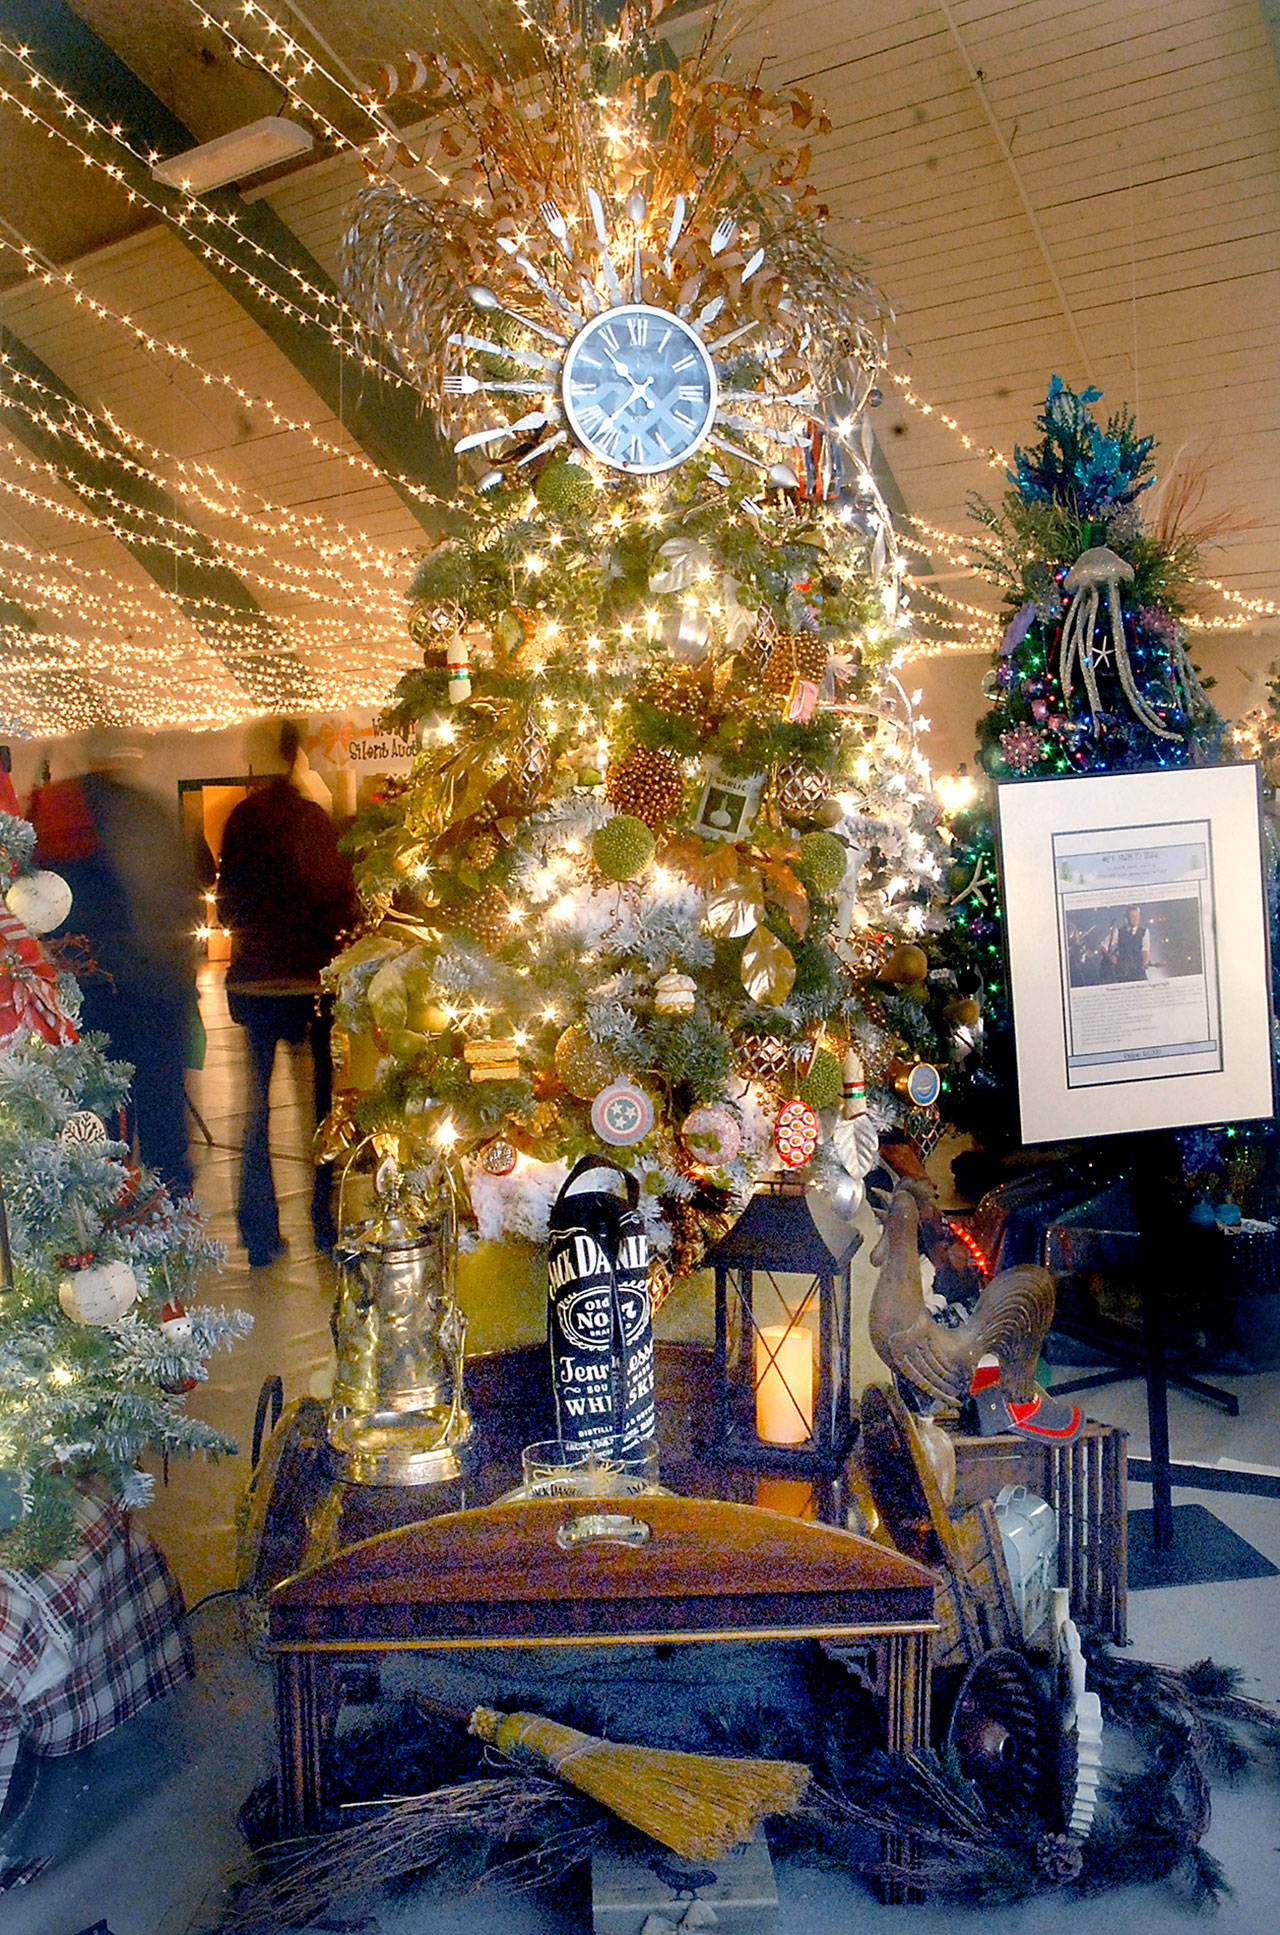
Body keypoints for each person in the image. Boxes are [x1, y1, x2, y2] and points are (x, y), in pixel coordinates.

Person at [31, 728, 199, 1199]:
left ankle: (108, 1212)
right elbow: (176, 902)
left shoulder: (62, 811)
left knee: (101, 1121)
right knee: (163, 1118)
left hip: (95, 994)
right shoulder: (148, 811)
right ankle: (170, 1211)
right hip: (154, 993)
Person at [216, 721, 359, 1266]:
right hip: (309, 982)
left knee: (256, 1111)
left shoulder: (242, 819)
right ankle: (325, 1224)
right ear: (298, 756)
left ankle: (259, 1233)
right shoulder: (313, 820)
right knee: (319, 1110)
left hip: (257, 982)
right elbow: (338, 901)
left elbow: (227, 905)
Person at [1106, 905, 1149, 982]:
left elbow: (1145, 949)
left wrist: (1145, 962)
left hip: (1138, 971)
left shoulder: (1144, 932)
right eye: (1133, 916)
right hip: (1122, 971)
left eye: (1137, 916)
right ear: (1126, 918)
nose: (1136, 919)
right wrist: (1110, 957)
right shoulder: (1118, 932)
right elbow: (1104, 946)